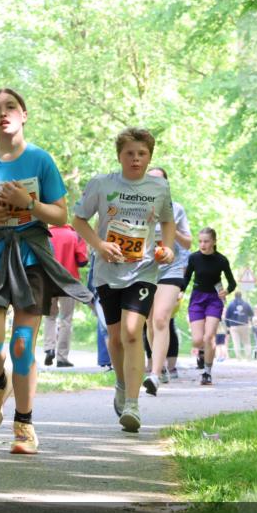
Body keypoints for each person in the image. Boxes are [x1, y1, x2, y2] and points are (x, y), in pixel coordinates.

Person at [0, 88, 91, 453]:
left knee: (21, 346)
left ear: (24, 114)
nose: (3, 113)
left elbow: (61, 215)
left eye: (11, 107)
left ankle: (24, 425)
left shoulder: (40, 160)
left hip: (31, 258)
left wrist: (28, 204)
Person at [72, 128, 175, 432]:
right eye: (129, 153)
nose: (135, 159)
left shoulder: (159, 188)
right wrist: (99, 245)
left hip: (143, 270)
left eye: (141, 154)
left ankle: (132, 404)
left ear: (149, 157)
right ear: (119, 155)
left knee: (132, 332)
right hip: (107, 272)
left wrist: (167, 248)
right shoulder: (102, 184)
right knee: (115, 337)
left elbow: (167, 221)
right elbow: (78, 220)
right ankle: (120, 384)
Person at [142, 166, 191, 393]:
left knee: (161, 319)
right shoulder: (136, 207)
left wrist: (168, 225)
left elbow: (189, 243)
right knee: (150, 322)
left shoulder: (177, 209)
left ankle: (153, 374)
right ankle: (158, 366)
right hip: (145, 269)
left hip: (172, 269)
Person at [181, 227, 236, 385]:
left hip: (214, 299)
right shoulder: (194, 258)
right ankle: (202, 352)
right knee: (198, 340)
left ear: (214, 242)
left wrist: (227, 291)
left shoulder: (221, 260)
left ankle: (207, 372)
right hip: (197, 298)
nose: (202, 244)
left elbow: (232, 282)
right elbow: (186, 278)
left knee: (209, 337)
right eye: (200, 241)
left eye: (206, 241)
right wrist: (180, 292)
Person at [42, 224, 88, 367]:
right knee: (66, 319)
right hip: (68, 282)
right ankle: (62, 357)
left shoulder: (45, 234)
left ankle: (49, 348)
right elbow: (82, 261)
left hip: (48, 280)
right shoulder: (75, 235)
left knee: (50, 317)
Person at [224, 290, 252, 360]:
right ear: (241, 295)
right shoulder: (246, 304)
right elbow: (251, 314)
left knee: (236, 342)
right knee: (246, 342)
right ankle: (248, 357)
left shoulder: (231, 304)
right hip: (244, 325)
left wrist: (228, 326)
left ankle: (238, 357)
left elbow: (227, 317)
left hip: (234, 326)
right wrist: (249, 321)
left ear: (235, 296)